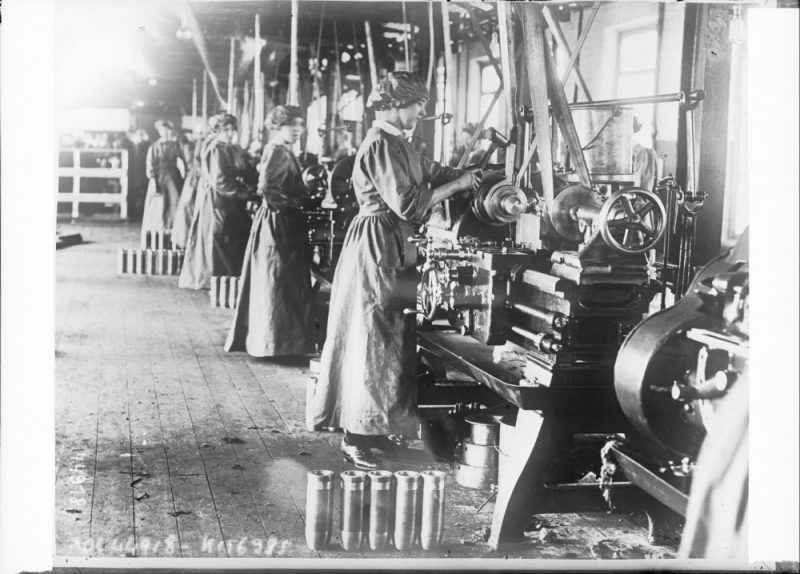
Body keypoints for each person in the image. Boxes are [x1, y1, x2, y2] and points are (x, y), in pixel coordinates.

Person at [309, 72, 481, 469]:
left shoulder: (399, 143)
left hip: (394, 244)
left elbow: (429, 171)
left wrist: (471, 174)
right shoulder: (380, 144)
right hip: (377, 244)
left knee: (390, 340)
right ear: (397, 103)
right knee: (372, 336)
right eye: (418, 104)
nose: (423, 111)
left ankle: (378, 429)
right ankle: (356, 435)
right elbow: (409, 204)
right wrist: (457, 187)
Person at [224, 105, 316, 357]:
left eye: (300, 124)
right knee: (279, 280)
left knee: (281, 281)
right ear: (277, 126)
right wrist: (294, 204)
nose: (298, 130)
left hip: (280, 220)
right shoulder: (277, 151)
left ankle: (281, 342)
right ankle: (278, 344)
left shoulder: (284, 150)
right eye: (291, 125)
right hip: (278, 223)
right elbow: (268, 187)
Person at [178, 113, 256, 290]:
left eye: (232, 129)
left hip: (232, 200)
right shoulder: (215, 149)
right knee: (218, 237)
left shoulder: (231, 148)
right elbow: (220, 181)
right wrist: (244, 193)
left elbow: (244, 169)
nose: (230, 133)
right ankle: (216, 279)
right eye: (225, 129)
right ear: (216, 131)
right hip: (218, 200)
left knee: (233, 237)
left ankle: (230, 279)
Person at [172, 117, 220, 249]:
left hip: (207, 178)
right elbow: (198, 161)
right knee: (191, 207)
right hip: (198, 179)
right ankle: (187, 241)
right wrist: (206, 175)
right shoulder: (204, 141)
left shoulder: (219, 142)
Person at [140, 120, 185, 244]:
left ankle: (173, 236)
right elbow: (150, 165)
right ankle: (157, 235)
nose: (165, 132)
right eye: (162, 130)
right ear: (159, 131)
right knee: (159, 207)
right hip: (159, 179)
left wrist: (183, 172)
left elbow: (182, 160)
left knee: (174, 205)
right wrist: (153, 180)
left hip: (174, 179)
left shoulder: (176, 145)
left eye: (167, 130)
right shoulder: (154, 146)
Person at [632, 115, 659, 191]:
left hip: (639, 193)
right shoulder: (646, 150)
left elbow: (637, 178)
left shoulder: (640, 150)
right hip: (644, 192)